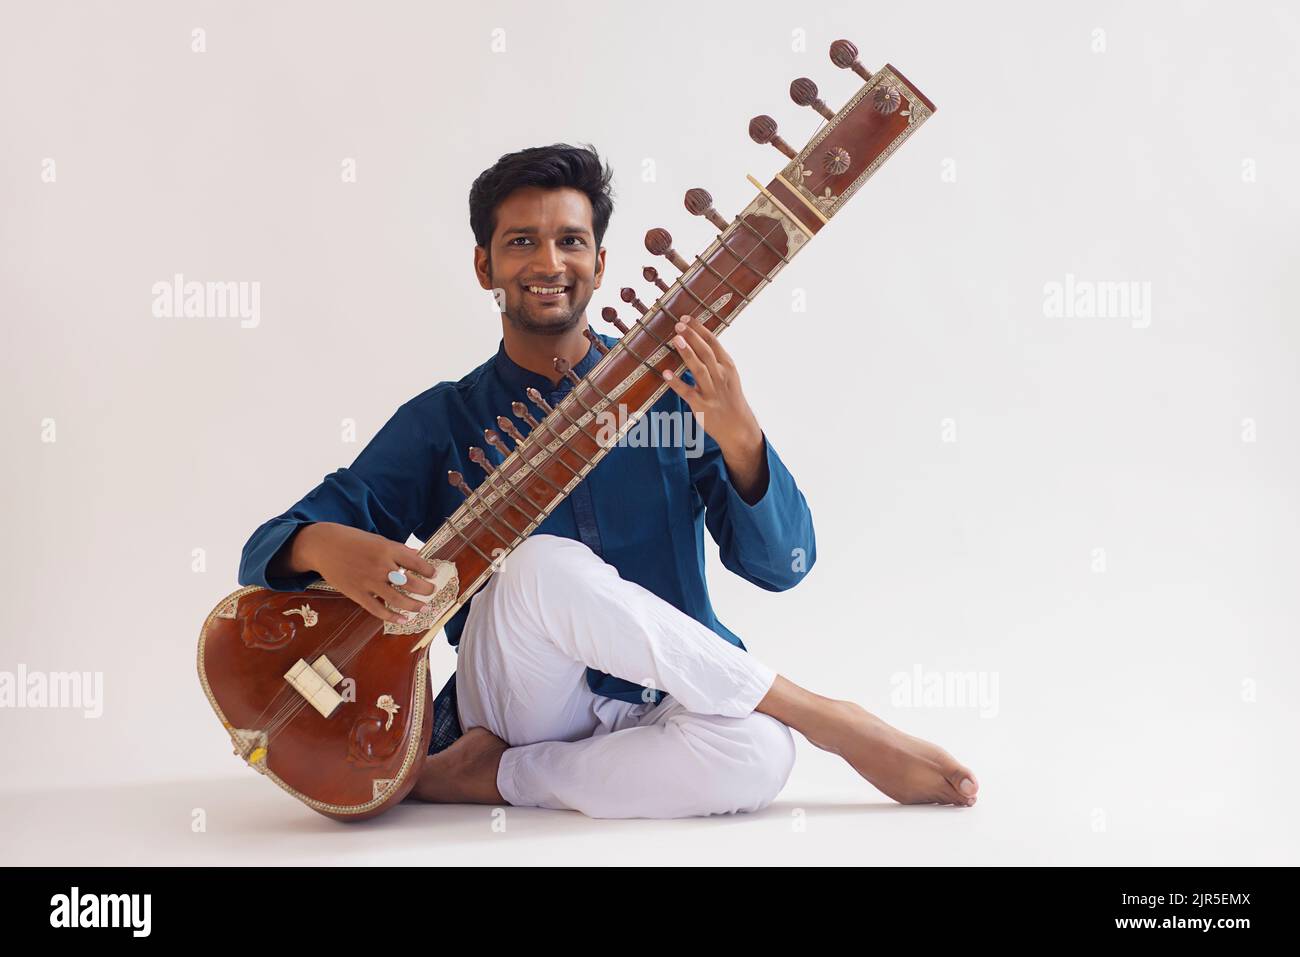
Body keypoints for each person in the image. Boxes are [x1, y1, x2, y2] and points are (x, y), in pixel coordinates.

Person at [238, 143, 979, 819]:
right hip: (520, 696)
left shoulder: (674, 394)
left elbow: (782, 566)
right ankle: (829, 717)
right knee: (540, 566)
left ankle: (488, 779)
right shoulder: (442, 420)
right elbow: (263, 552)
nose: (548, 262)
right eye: (520, 241)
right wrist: (323, 544)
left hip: (661, 699)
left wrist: (741, 438)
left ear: (600, 262)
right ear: (483, 266)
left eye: (570, 240)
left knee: (761, 754)